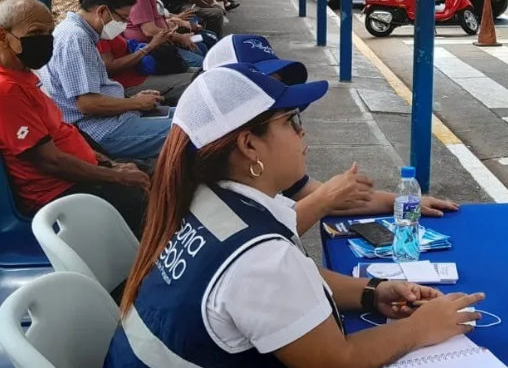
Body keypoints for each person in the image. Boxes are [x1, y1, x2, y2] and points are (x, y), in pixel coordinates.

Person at [104, 62, 484, 367]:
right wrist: (420, 328)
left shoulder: (206, 201)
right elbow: (337, 359)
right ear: (249, 144)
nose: (303, 134)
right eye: (291, 122)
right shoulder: (259, 257)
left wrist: (373, 293)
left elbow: (285, 285)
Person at [203, 34, 459, 235]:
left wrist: (400, 201)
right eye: (261, 78)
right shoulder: (210, 173)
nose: (300, 130)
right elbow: (260, 244)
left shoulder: (266, 160)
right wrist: (324, 200)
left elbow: (326, 197)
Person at [0, 0, 149, 235]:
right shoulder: (6, 90)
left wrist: (109, 164)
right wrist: (114, 176)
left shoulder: (24, 74)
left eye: (49, 32)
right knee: (149, 199)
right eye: (36, 32)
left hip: (80, 174)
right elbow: (49, 161)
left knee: (146, 171)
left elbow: (62, 131)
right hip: (59, 193)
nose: (45, 40)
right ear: (2, 36)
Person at [38, 0, 173, 161]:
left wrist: (133, 100)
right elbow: (88, 104)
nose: (124, 25)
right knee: (188, 132)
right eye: (122, 19)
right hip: (99, 129)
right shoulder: (75, 40)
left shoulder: (80, 33)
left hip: (113, 117)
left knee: (187, 116)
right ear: (102, 11)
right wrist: (136, 104)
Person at [81, 0, 195, 106]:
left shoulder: (107, 26)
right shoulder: (97, 32)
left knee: (197, 72)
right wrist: (149, 47)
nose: (125, 22)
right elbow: (109, 68)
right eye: (123, 17)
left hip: (140, 72)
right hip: (129, 84)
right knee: (194, 82)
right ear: (103, 8)